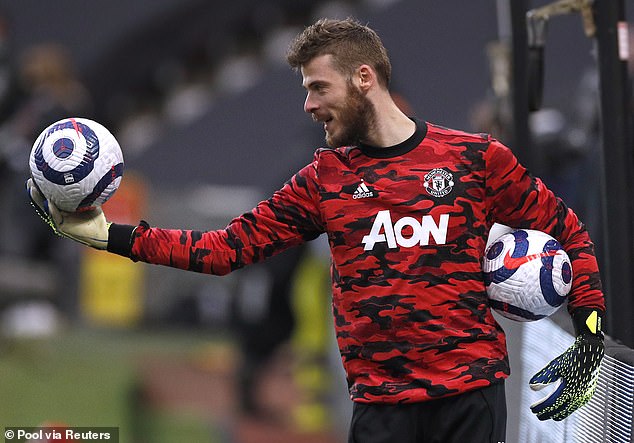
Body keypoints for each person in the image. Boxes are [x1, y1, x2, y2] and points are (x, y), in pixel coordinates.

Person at [27, 18, 605, 443]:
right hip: (381, 410)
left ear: (363, 79)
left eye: (317, 87)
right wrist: (109, 236)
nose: (307, 105)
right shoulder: (322, 180)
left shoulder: (474, 159)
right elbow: (224, 250)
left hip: (471, 402)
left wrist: (590, 332)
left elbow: (567, 229)